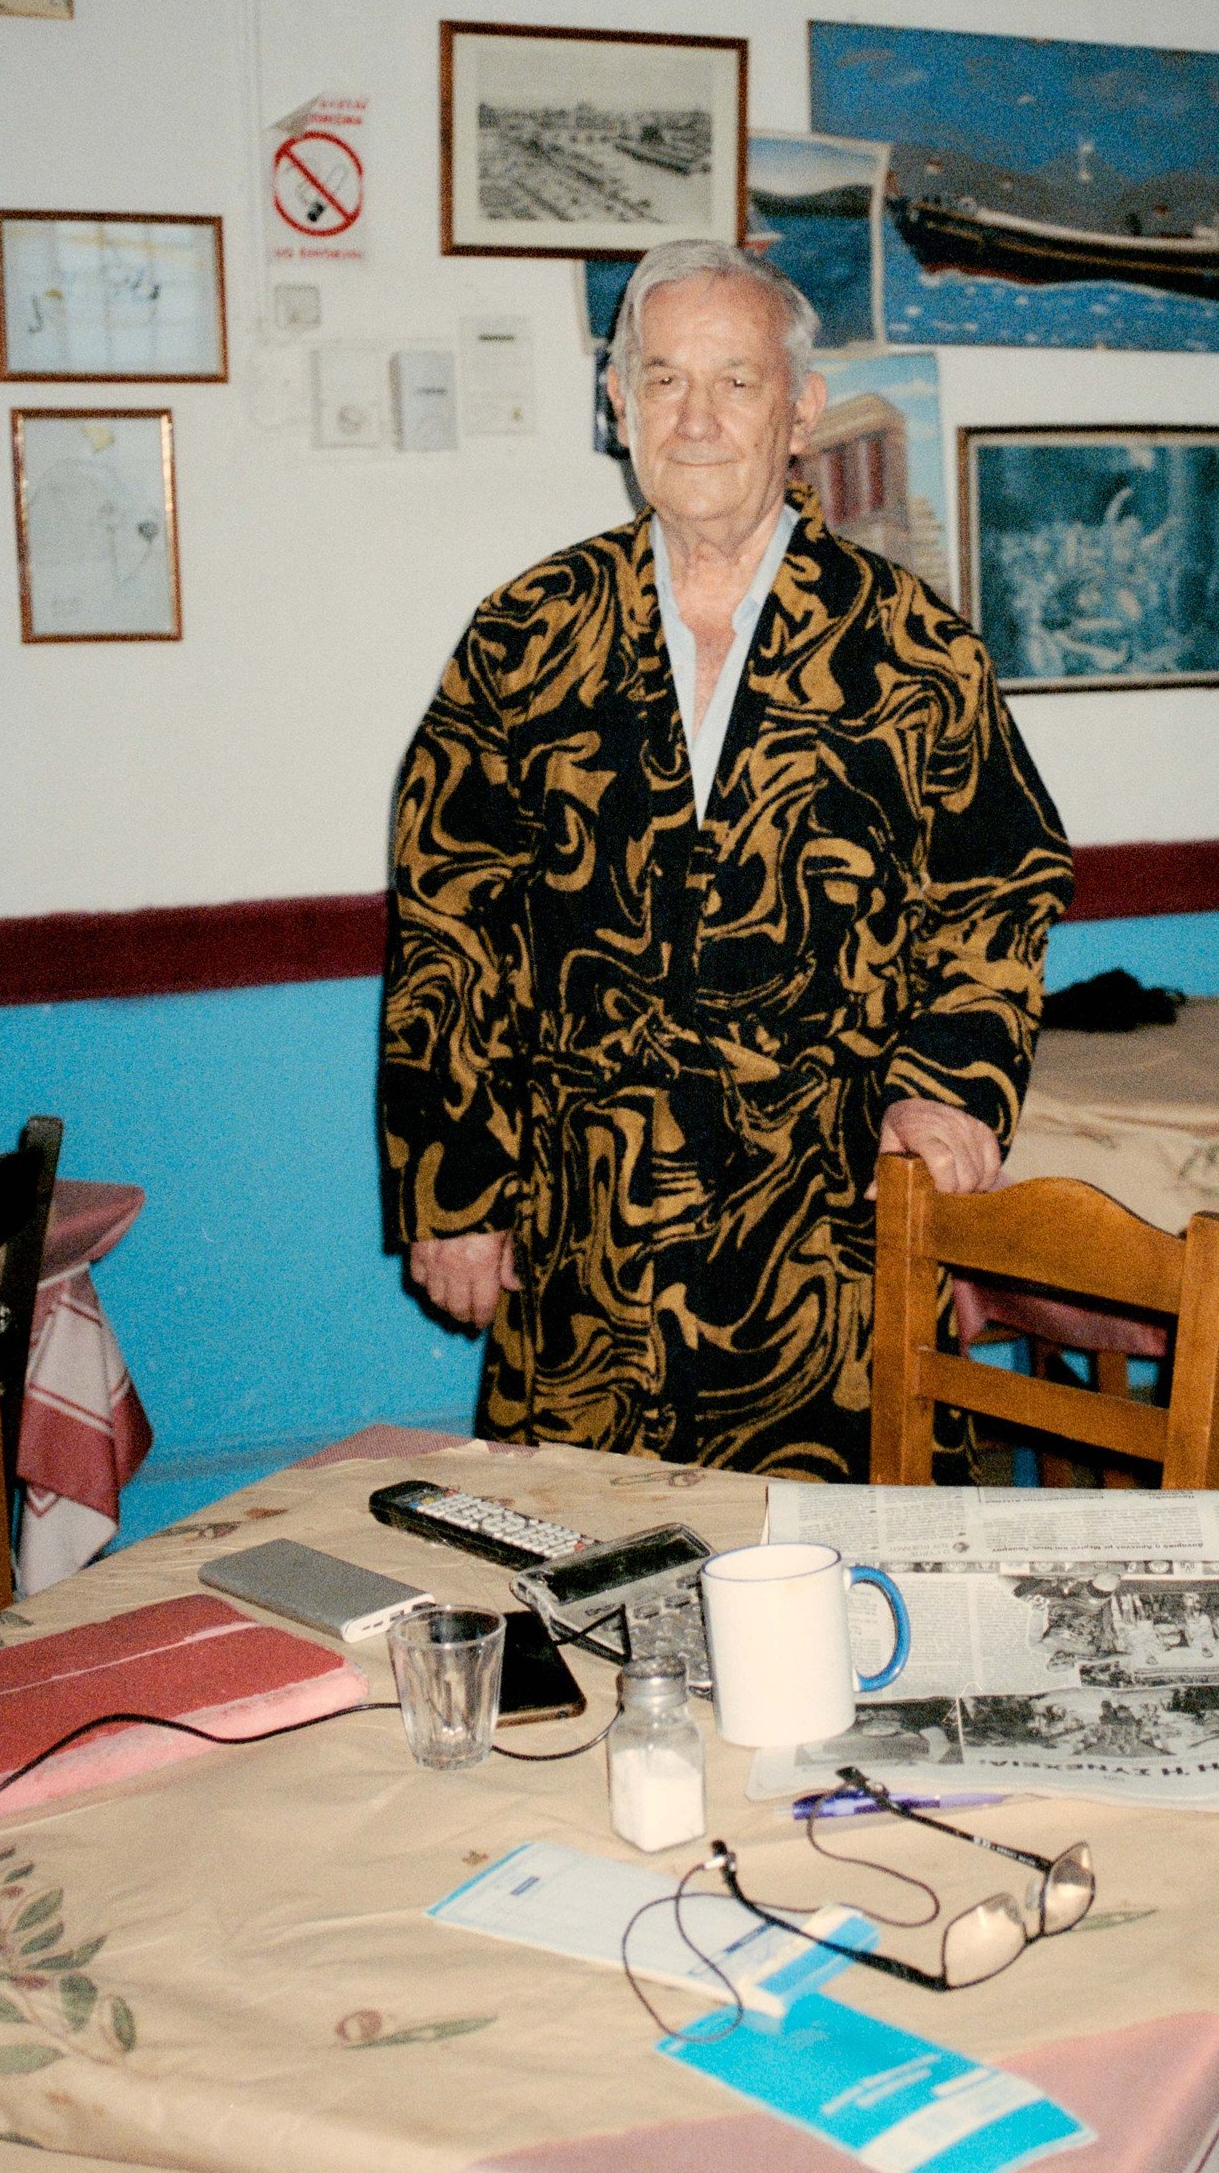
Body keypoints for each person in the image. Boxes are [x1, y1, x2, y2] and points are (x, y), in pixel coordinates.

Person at [381, 237, 1072, 1480]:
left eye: (737, 383)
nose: (696, 419)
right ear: (616, 403)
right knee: (589, 1592)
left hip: (828, 1254)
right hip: (587, 1254)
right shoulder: (525, 638)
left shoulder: (912, 648)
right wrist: (456, 1186)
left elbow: (999, 886)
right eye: (661, 381)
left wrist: (949, 1082)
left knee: (839, 1620)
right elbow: (452, 919)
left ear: (799, 411)